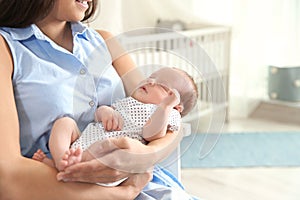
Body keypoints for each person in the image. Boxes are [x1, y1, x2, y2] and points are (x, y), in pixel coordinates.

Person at [0, 0, 199, 199]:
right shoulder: (7, 48)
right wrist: (122, 193)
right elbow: (8, 177)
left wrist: (143, 155)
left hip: (141, 183)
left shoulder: (105, 41)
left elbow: (167, 118)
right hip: (63, 189)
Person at [32, 67, 198, 187]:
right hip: (84, 140)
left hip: (110, 158)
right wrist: (105, 112)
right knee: (64, 123)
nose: (151, 81)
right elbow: (98, 115)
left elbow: (151, 135)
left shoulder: (168, 114)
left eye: (162, 86)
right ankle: (62, 159)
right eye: (151, 77)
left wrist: (165, 107)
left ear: (177, 106)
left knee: (106, 146)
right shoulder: (129, 101)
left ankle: (72, 164)